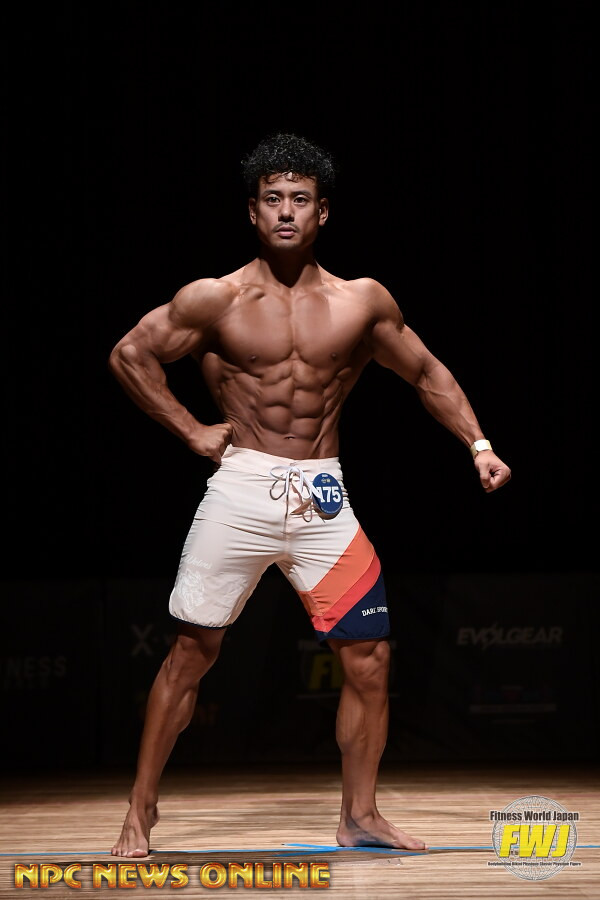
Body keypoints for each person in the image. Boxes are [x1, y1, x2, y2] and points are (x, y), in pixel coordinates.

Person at [108, 132, 511, 858]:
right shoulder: (215, 297)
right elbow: (130, 354)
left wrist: (478, 445)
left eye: (300, 199)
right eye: (273, 199)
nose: (286, 211)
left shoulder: (361, 301)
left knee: (370, 657)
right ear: (253, 211)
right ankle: (140, 811)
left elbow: (426, 372)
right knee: (192, 652)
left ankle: (361, 817)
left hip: (323, 496)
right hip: (241, 490)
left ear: (323, 212)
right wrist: (190, 429)